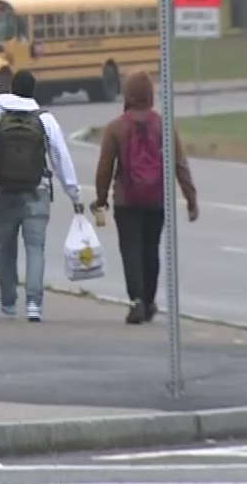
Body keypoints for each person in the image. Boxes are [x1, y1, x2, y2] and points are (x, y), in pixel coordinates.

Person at [93, 72, 199, 325]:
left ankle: (136, 301)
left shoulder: (115, 127)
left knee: (130, 250)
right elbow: (179, 164)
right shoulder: (164, 125)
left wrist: (101, 198)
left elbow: (105, 167)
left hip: (126, 200)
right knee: (151, 249)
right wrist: (190, 197)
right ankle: (150, 301)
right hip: (156, 199)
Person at [0, 71, 83, 323]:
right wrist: (74, 194)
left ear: (11, 88)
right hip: (36, 191)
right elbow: (60, 158)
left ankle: (8, 303)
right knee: (35, 248)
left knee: (6, 248)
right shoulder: (44, 120)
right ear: (33, 90)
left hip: (5, 190)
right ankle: (33, 304)